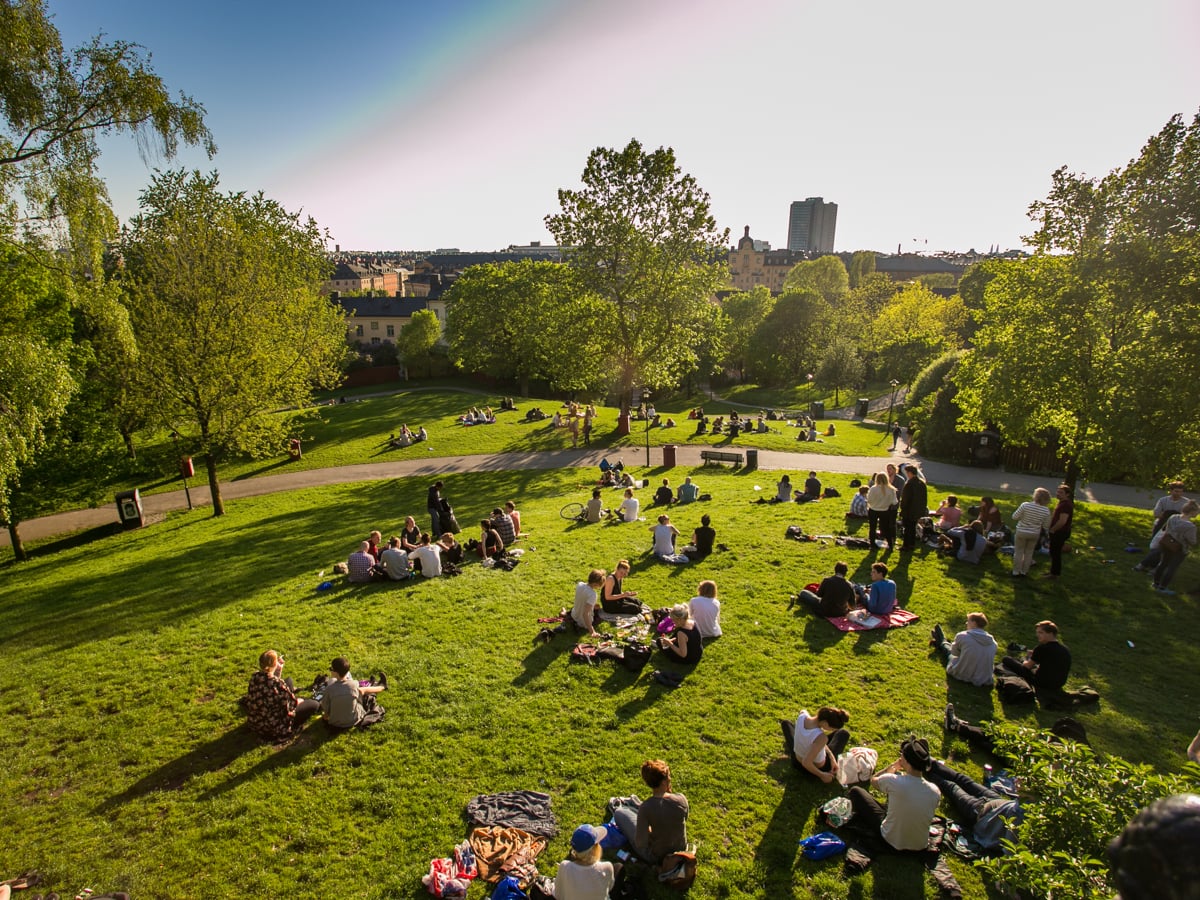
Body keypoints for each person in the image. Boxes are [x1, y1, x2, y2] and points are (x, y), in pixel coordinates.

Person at [846, 736, 941, 852]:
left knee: (856, 791)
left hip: (890, 840)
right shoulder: (935, 791)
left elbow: (874, 780)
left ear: (905, 760)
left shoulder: (893, 781)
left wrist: (893, 767)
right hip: (920, 845)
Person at [925, 759, 1022, 853]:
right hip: (999, 801)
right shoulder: (1031, 805)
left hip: (980, 812)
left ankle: (922, 769)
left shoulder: (1018, 817)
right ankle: (928, 760)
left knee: (951, 787)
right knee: (964, 780)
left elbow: (1009, 850)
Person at [612, 760, 689, 864]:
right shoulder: (681, 799)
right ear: (663, 782)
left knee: (619, 813)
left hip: (657, 856)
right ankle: (634, 805)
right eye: (669, 776)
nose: (670, 778)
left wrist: (649, 831)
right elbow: (681, 818)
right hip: (681, 849)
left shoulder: (646, 808)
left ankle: (630, 806)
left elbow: (641, 843)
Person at [246, 650, 319, 741]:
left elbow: (273, 689)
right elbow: (291, 704)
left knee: (289, 681)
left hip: (258, 719)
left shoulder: (255, 677)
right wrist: (300, 700)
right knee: (314, 704)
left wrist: (278, 670)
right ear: (274, 663)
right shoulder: (277, 683)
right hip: (274, 724)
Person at [781, 707, 851, 783]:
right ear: (825, 723)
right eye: (832, 728)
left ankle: (801, 737)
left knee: (786, 723)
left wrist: (832, 757)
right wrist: (822, 775)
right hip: (813, 768)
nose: (831, 731)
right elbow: (806, 762)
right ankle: (818, 771)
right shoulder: (821, 738)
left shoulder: (802, 715)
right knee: (843, 733)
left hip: (796, 761)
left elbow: (803, 711)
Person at [1000, 620, 1071, 693]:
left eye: (1041, 632)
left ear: (1051, 633)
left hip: (1042, 683)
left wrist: (1025, 661)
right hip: (1058, 684)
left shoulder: (1041, 648)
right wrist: (1035, 655)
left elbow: (1027, 667)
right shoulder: (1065, 649)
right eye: (1037, 632)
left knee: (1006, 659)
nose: (1037, 635)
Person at [1135, 482, 1190, 573]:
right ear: (1171, 491)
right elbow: (1156, 514)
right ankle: (1149, 565)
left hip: (1176, 528)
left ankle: (1152, 567)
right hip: (1161, 525)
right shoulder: (1163, 500)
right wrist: (1166, 515)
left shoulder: (1186, 502)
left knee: (1166, 548)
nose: (1178, 494)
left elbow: (1186, 517)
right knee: (1156, 547)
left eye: (1180, 492)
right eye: (1176, 491)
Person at [930, 613, 997, 687]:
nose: (966, 623)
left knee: (949, 652)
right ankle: (943, 641)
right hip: (984, 679)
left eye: (968, 621)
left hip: (962, 674)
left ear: (974, 623)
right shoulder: (993, 643)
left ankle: (942, 641)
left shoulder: (963, 636)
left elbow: (954, 653)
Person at [320, 656, 386, 729]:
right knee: (361, 691)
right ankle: (382, 687)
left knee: (358, 691)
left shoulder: (329, 689)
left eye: (331, 669)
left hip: (334, 723)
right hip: (354, 720)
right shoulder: (354, 684)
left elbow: (325, 710)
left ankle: (380, 686)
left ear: (335, 672)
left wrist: (325, 718)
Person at [554, 824, 617, 900]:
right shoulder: (607, 867)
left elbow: (557, 895)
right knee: (619, 867)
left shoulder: (565, 867)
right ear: (595, 848)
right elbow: (610, 887)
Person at [1151, 500, 1199, 594]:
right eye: (1197, 511)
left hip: (1166, 543)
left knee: (1163, 563)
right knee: (1172, 568)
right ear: (1192, 512)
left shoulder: (1173, 517)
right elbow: (1192, 541)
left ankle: (1155, 583)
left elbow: (1166, 529)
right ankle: (1163, 587)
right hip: (1179, 548)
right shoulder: (1190, 527)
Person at [1011, 488, 1053, 576]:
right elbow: (1046, 526)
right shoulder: (1046, 510)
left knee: (1019, 551)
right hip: (1034, 533)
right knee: (1029, 552)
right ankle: (1024, 571)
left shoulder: (1025, 505)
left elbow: (1014, 517)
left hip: (1022, 531)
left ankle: (1016, 571)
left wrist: (1023, 518)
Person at [1045, 484, 1074, 578]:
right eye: (1057, 492)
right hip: (1058, 531)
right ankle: (1053, 571)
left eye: (1061, 492)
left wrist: (1053, 529)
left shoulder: (1065, 505)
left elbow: (1062, 521)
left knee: (1055, 552)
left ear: (1067, 494)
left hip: (1060, 532)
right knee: (1053, 551)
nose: (1058, 494)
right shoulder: (1062, 503)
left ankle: (1054, 574)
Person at [899, 463, 928, 550]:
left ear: (910, 473)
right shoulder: (921, 483)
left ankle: (906, 545)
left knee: (907, 528)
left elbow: (905, 499)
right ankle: (912, 544)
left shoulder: (909, 484)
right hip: (917, 510)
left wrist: (902, 508)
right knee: (913, 528)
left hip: (909, 510)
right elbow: (924, 499)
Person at [867, 472, 898, 550]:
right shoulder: (891, 489)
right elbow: (894, 502)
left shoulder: (873, 488)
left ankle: (872, 545)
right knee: (886, 528)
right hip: (885, 510)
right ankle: (890, 544)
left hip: (873, 510)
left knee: (872, 528)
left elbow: (869, 500)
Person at [571, 569, 606, 636]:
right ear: (596, 584)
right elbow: (585, 613)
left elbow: (582, 599)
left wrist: (593, 605)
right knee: (599, 615)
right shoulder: (593, 594)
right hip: (583, 622)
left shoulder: (580, 584)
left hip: (574, 615)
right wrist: (592, 631)